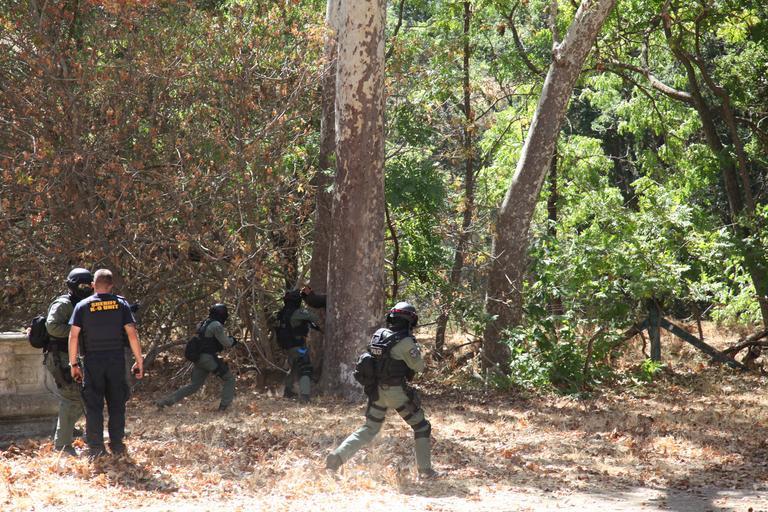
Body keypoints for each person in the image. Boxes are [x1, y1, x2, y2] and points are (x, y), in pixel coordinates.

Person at [325, 302, 438, 478]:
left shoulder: (379, 334)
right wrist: (415, 349)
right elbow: (419, 367)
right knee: (422, 427)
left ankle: (336, 458)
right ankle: (425, 471)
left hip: (376, 392)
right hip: (396, 393)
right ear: (410, 321)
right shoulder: (406, 341)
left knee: (369, 428)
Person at [68, 269, 143, 458]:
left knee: (94, 406)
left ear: (93, 285)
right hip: (116, 360)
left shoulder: (82, 306)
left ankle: (96, 448)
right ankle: (117, 444)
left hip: (92, 361)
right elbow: (132, 334)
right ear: (111, 286)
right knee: (117, 403)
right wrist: (139, 360)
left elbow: (73, 336)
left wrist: (73, 364)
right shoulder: (121, 304)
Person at [44, 267, 93, 456]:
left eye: (88, 285)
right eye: (82, 286)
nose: (86, 289)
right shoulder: (63, 304)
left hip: (76, 358)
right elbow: (52, 327)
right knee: (72, 398)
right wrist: (77, 330)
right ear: (72, 286)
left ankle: (69, 432)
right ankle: (63, 445)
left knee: (81, 398)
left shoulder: (86, 302)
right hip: (61, 358)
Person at [155, 303, 237, 411]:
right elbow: (227, 343)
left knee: (194, 386)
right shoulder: (216, 325)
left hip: (199, 358)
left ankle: (164, 402)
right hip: (208, 359)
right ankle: (223, 408)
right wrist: (233, 340)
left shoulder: (203, 323)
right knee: (229, 379)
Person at [277, 290, 320, 403]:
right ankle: (305, 397)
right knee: (306, 368)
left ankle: (287, 392)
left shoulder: (282, 313)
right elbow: (314, 317)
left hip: (287, 347)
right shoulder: (297, 312)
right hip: (298, 346)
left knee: (294, 368)